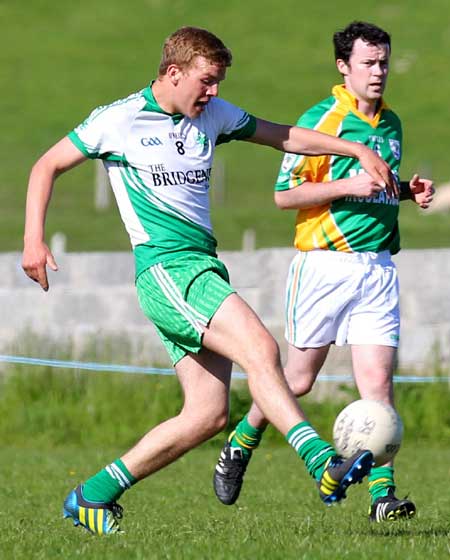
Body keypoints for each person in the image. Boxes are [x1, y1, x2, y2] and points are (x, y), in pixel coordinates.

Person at [22, 26, 394, 535]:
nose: (214, 92)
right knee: (260, 347)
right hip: (168, 270)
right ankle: (321, 462)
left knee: (206, 415)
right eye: (207, 80)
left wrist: (355, 150)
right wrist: (33, 240)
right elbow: (46, 165)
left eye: (218, 82)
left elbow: (281, 134)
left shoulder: (212, 115)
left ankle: (92, 496)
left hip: (202, 267)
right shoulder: (119, 120)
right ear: (173, 73)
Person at [213, 21, 434, 522]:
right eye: (368, 63)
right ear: (343, 66)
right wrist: (346, 187)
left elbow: (376, 185)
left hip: (378, 268)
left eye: (383, 62)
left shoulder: (391, 123)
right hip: (324, 269)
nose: (378, 72)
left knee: (377, 384)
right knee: (298, 379)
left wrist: (405, 190)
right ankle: (240, 444)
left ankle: (382, 496)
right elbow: (283, 195)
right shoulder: (321, 121)